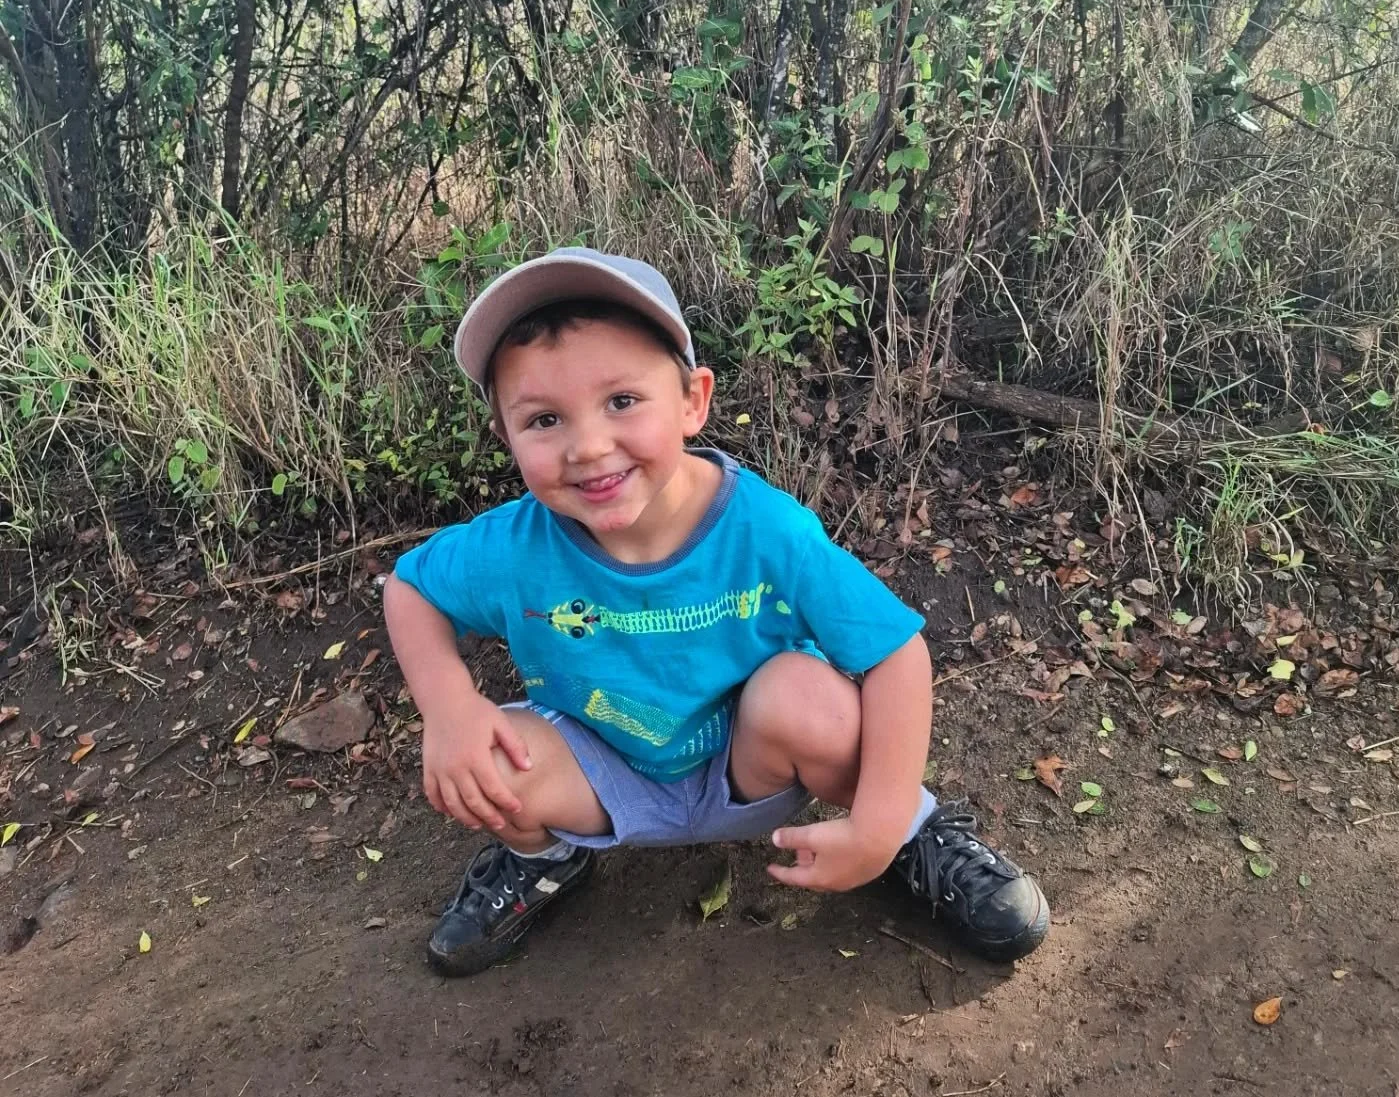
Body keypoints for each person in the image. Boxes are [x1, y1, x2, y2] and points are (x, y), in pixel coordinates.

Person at [385, 247, 1049, 976]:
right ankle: (543, 857)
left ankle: (906, 832)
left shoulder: (766, 528)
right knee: (484, 756)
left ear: (693, 400)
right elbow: (409, 590)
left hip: (750, 766)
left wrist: (878, 821)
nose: (588, 446)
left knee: (813, 698)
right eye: (544, 418)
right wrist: (448, 710)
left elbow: (897, 654)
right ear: (506, 436)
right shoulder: (514, 546)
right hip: (601, 770)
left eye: (621, 401)